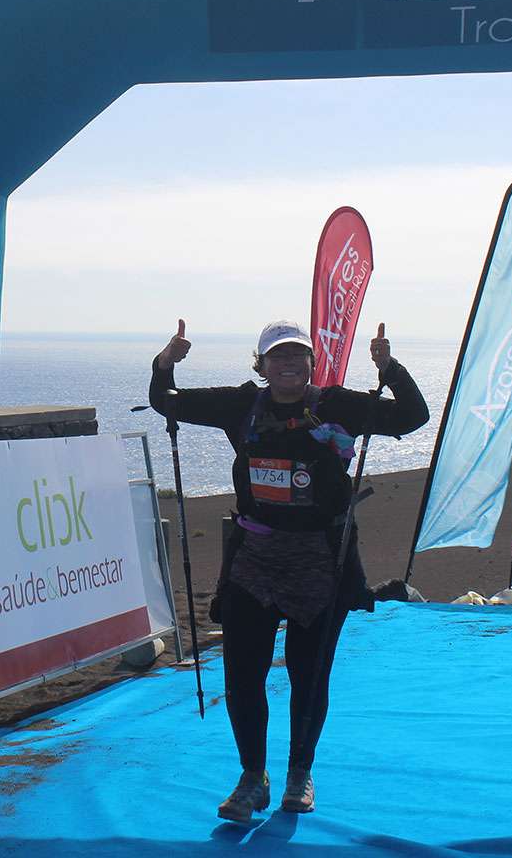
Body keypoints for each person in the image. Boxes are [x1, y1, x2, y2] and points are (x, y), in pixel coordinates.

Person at [150, 318, 429, 823]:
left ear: (310, 363)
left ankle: (300, 773)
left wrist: (390, 368)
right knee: (242, 676)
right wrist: (166, 362)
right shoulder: (240, 404)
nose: (288, 363)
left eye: (297, 355)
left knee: (309, 675)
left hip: (321, 562)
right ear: (261, 364)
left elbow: (412, 416)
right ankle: (252, 778)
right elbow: (166, 401)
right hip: (254, 561)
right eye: (277, 356)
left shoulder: (338, 404)